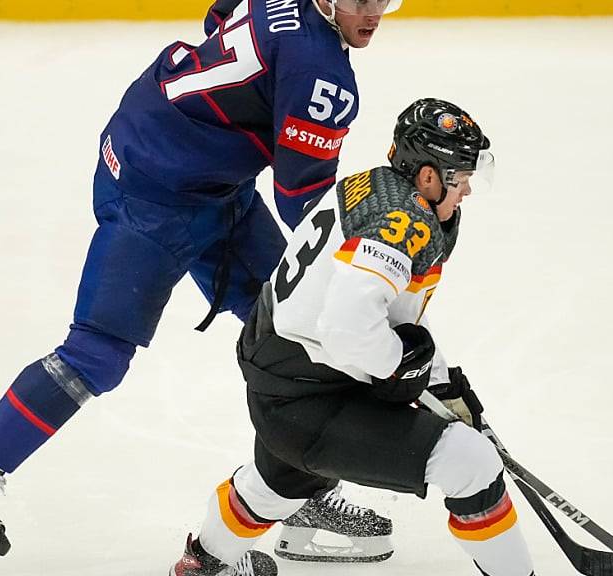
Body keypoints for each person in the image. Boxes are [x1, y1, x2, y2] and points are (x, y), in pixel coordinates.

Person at [0, 1, 405, 572]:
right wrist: (365, 266)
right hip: (154, 194)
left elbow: (219, 17)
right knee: (98, 352)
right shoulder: (323, 74)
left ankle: (297, 495)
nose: (373, 11)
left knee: (295, 332)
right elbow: (302, 202)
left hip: (197, 171)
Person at [169, 98, 534, 576]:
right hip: (313, 394)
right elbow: (348, 330)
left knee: (276, 484)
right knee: (472, 464)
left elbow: (381, 319)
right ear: (427, 176)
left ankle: (201, 565)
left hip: (288, 380)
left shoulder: (374, 187)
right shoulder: (401, 224)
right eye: (459, 179)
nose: (464, 191)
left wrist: (442, 384)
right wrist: (402, 369)